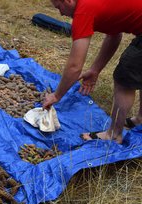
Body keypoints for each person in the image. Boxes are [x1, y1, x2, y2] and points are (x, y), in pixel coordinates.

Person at [42, 0, 142, 144]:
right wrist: (95, 69)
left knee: (124, 80)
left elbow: (75, 66)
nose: (61, 13)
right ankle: (140, 120)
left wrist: (56, 96)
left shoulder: (83, 10)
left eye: (59, 7)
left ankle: (113, 135)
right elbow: (114, 36)